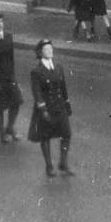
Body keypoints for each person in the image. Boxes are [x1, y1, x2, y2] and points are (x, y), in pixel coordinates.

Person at [28, 39, 73, 177]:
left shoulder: (58, 67)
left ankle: (63, 163)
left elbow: (63, 87)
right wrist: (43, 110)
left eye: (51, 48)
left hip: (60, 107)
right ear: (40, 53)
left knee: (66, 134)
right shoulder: (36, 71)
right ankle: (49, 166)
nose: (50, 51)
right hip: (46, 108)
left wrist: (67, 103)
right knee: (45, 137)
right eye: (46, 49)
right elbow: (37, 92)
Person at [0, 14, 24, 143]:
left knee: (17, 101)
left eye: (1, 22)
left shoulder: (8, 37)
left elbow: (11, 58)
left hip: (9, 76)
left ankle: (10, 128)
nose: (0, 24)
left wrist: (13, 76)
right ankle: (2, 133)